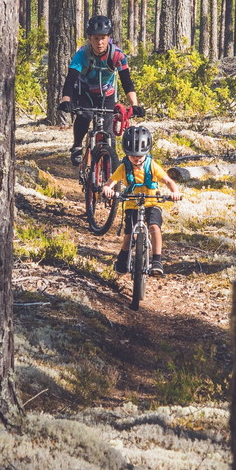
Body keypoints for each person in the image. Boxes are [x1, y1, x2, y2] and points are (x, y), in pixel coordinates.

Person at [58, 15, 144, 166]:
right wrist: (66, 100)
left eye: (103, 38)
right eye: (96, 38)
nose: (100, 42)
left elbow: (126, 81)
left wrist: (134, 105)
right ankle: (77, 146)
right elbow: (70, 79)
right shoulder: (82, 55)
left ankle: (108, 169)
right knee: (85, 116)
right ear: (90, 38)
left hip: (107, 95)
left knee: (108, 134)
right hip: (84, 93)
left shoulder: (117, 55)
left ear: (109, 37)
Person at [101, 125, 181, 276]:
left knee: (155, 228)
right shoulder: (123, 167)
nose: (137, 159)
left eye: (140, 156)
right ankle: (123, 259)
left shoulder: (152, 165)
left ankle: (157, 260)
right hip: (132, 203)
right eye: (133, 156)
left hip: (152, 202)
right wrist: (107, 189)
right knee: (129, 233)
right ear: (127, 154)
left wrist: (175, 192)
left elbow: (168, 181)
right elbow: (110, 182)